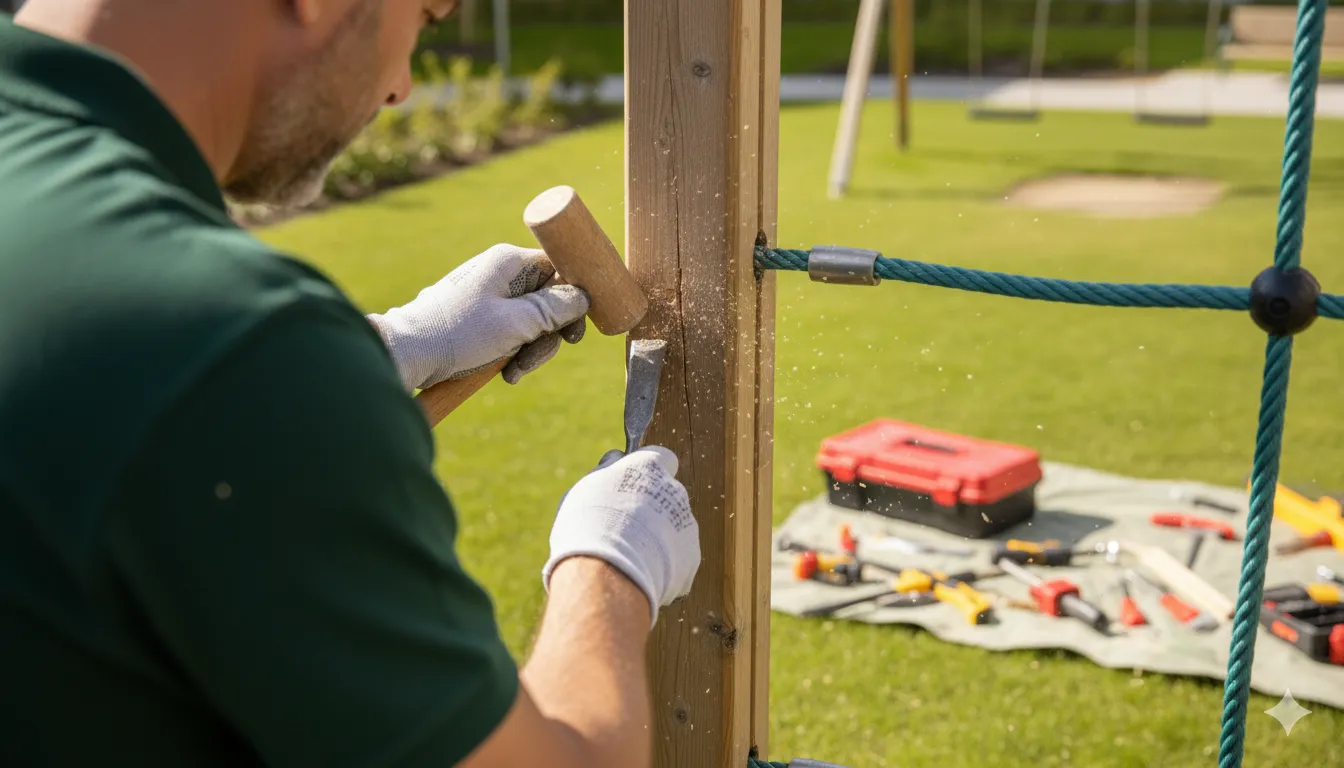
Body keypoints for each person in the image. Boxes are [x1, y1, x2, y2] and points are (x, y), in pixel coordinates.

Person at [0, 2, 702, 767]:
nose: (401, 87)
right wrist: (611, 566)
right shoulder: (230, 347)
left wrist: (394, 346)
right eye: (427, 17)